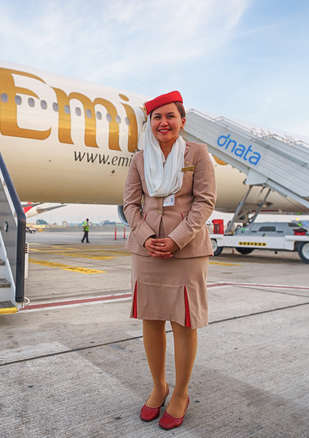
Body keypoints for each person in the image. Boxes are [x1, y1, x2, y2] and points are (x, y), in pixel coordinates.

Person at [123, 91, 216, 430]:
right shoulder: (139, 159)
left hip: (186, 250)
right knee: (151, 319)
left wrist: (176, 239)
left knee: (183, 322)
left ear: (182, 121)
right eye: (157, 117)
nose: (163, 122)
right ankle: (158, 386)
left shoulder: (197, 153)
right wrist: (146, 237)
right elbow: (130, 204)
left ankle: (180, 392)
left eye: (170, 116)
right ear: (150, 123)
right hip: (147, 249)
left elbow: (205, 202)